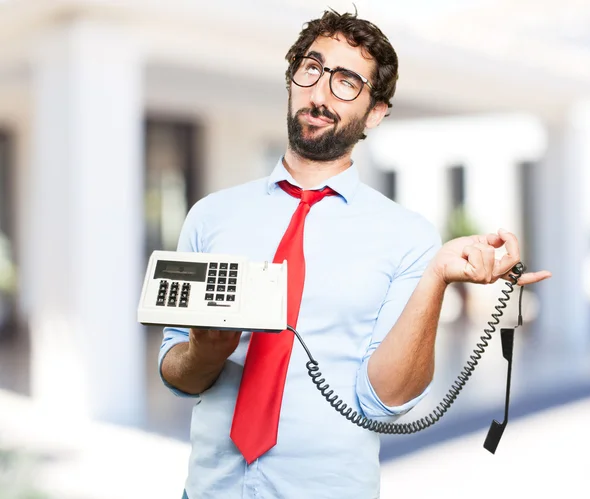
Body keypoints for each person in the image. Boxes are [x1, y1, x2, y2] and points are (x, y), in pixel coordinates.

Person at [159, 9, 551, 499]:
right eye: (312, 69)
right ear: (292, 78)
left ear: (376, 112)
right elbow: (177, 375)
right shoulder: (209, 217)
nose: (320, 94)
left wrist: (436, 278)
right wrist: (205, 352)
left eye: (346, 82)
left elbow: (384, 400)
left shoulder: (408, 237)